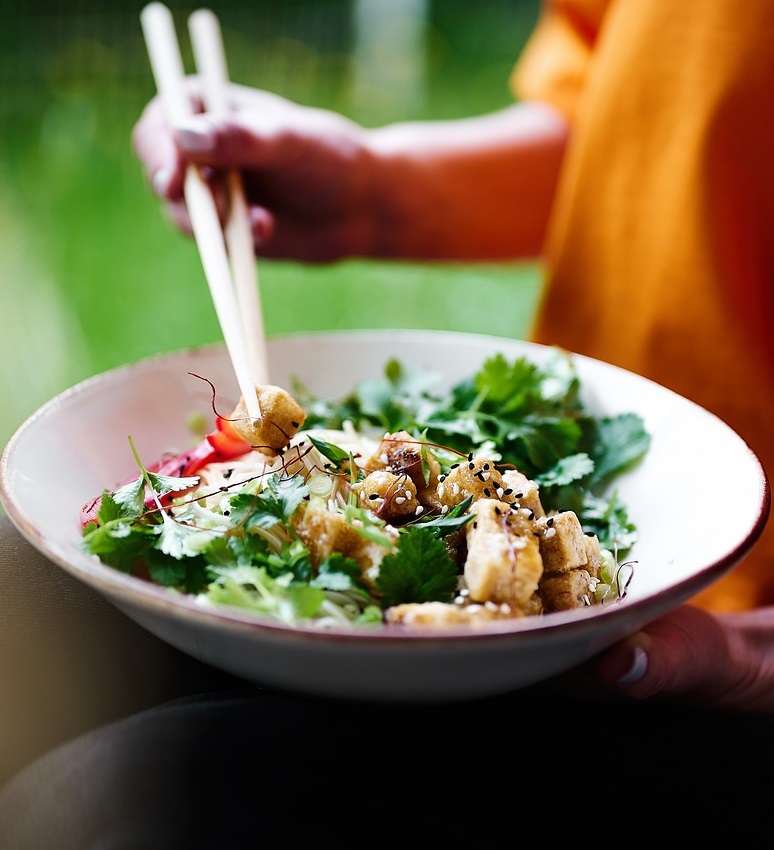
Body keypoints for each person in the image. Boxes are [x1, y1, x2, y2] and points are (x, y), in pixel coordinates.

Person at [130, 0, 774, 712]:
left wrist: (758, 657)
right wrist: (372, 191)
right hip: (610, 551)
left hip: (720, 650)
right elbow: (640, 122)